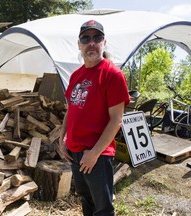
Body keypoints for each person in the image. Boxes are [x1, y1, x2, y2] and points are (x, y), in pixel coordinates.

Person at [59, 20, 130, 216]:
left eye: (96, 38)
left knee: (103, 208)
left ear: (104, 42)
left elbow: (116, 120)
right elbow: (70, 109)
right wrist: (62, 139)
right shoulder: (75, 75)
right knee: (86, 199)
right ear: (79, 44)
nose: (91, 43)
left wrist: (94, 153)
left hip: (97, 154)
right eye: (86, 38)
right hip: (75, 152)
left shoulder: (112, 75)